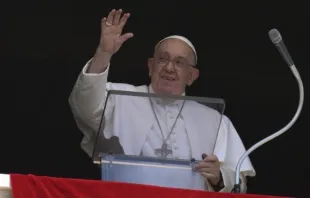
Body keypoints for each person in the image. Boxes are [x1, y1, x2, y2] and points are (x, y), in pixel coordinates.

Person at [69, 9, 255, 193]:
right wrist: (103, 53)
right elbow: (85, 106)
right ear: (150, 66)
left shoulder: (215, 120)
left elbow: (239, 183)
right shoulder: (119, 98)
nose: (169, 68)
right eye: (163, 59)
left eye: (179, 63)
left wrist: (218, 177)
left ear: (192, 76)